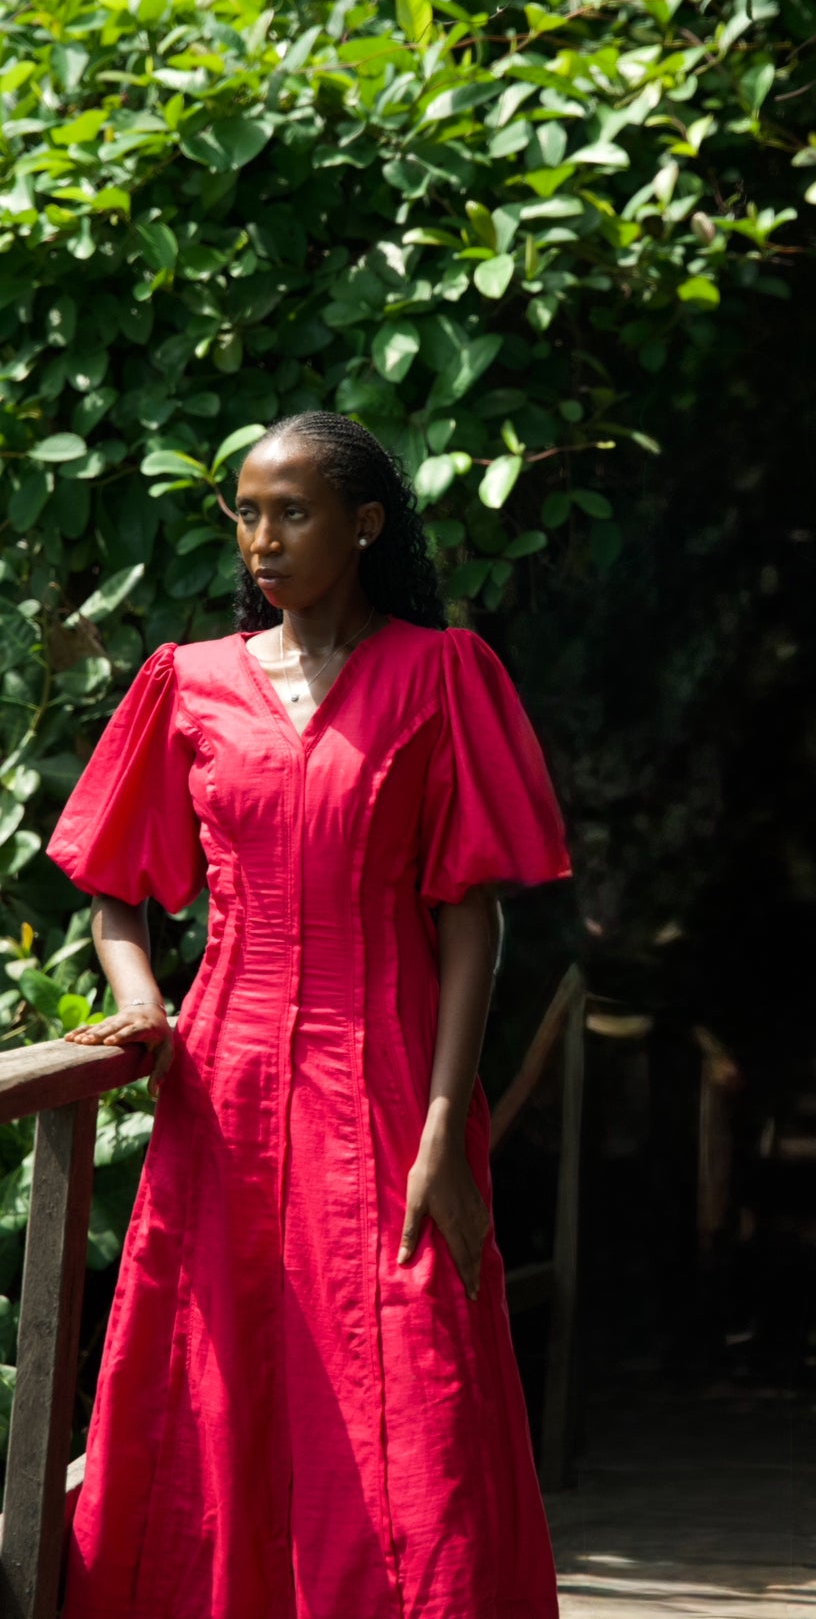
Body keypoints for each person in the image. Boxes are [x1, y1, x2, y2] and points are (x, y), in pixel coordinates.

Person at [46, 411, 571, 1619]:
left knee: (418, 1384)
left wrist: (447, 1132)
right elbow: (115, 900)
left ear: (365, 525)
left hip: (392, 1086)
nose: (262, 539)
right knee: (215, 1396)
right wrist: (139, 1010)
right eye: (246, 512)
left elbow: (470, 921)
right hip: (217, 1098)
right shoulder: (189, 681)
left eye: (293, 511)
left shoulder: (442, 674)